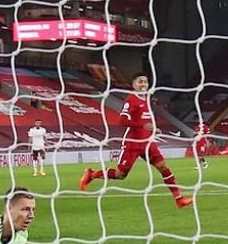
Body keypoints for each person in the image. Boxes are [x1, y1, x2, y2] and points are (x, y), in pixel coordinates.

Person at [79, 74, 193, 209]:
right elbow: (122, 120)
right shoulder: (131, 100)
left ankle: (179, 199)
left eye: (145, 81)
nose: (143, 84)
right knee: (120, 175)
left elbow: (145, 120)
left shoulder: (146, 100)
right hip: (132, 143)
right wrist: (143, 126)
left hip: (147, 142)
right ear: (133, 85)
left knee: (163, 167)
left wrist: (154, 129)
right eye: (140, 82)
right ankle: (92, 174)